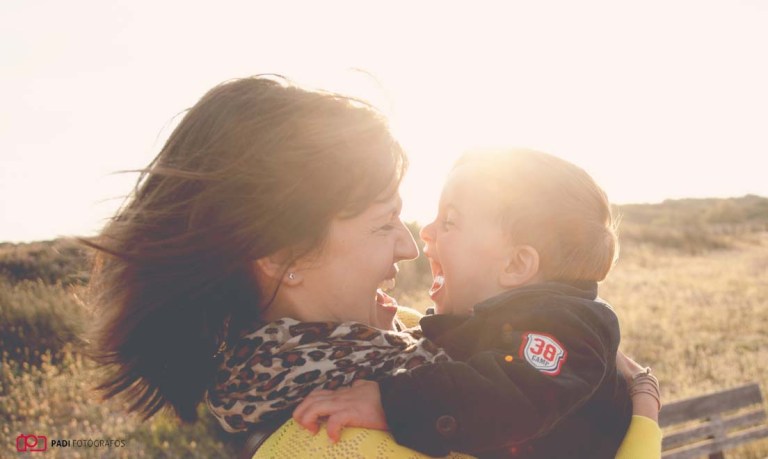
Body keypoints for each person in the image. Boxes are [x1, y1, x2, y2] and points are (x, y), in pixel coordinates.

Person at [82, 76, 661, 458]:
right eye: (385, 224)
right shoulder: (329, 437)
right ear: (285, 257)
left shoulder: (324, 363)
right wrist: (643, 409)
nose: (412, 249)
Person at [292, 150, 656, 458]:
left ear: (515, 265)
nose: (425, 231)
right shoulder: (490, 325)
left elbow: (512, 394)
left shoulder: (569, 325)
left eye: (449, 221)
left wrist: (393, 403)